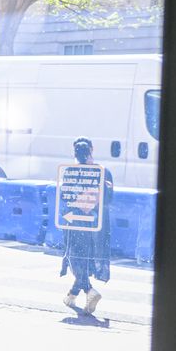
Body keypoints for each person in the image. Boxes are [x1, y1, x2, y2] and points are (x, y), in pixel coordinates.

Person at [60, 136, 114, 317]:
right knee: (87, 259)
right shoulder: (104, 172)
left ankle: (89, 291)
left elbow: (65, 197)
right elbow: (108, 199)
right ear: (92, 149)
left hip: (75, 222)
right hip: (96, 224)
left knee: (76, 258)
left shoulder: (70, 172)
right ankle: (72, 295)